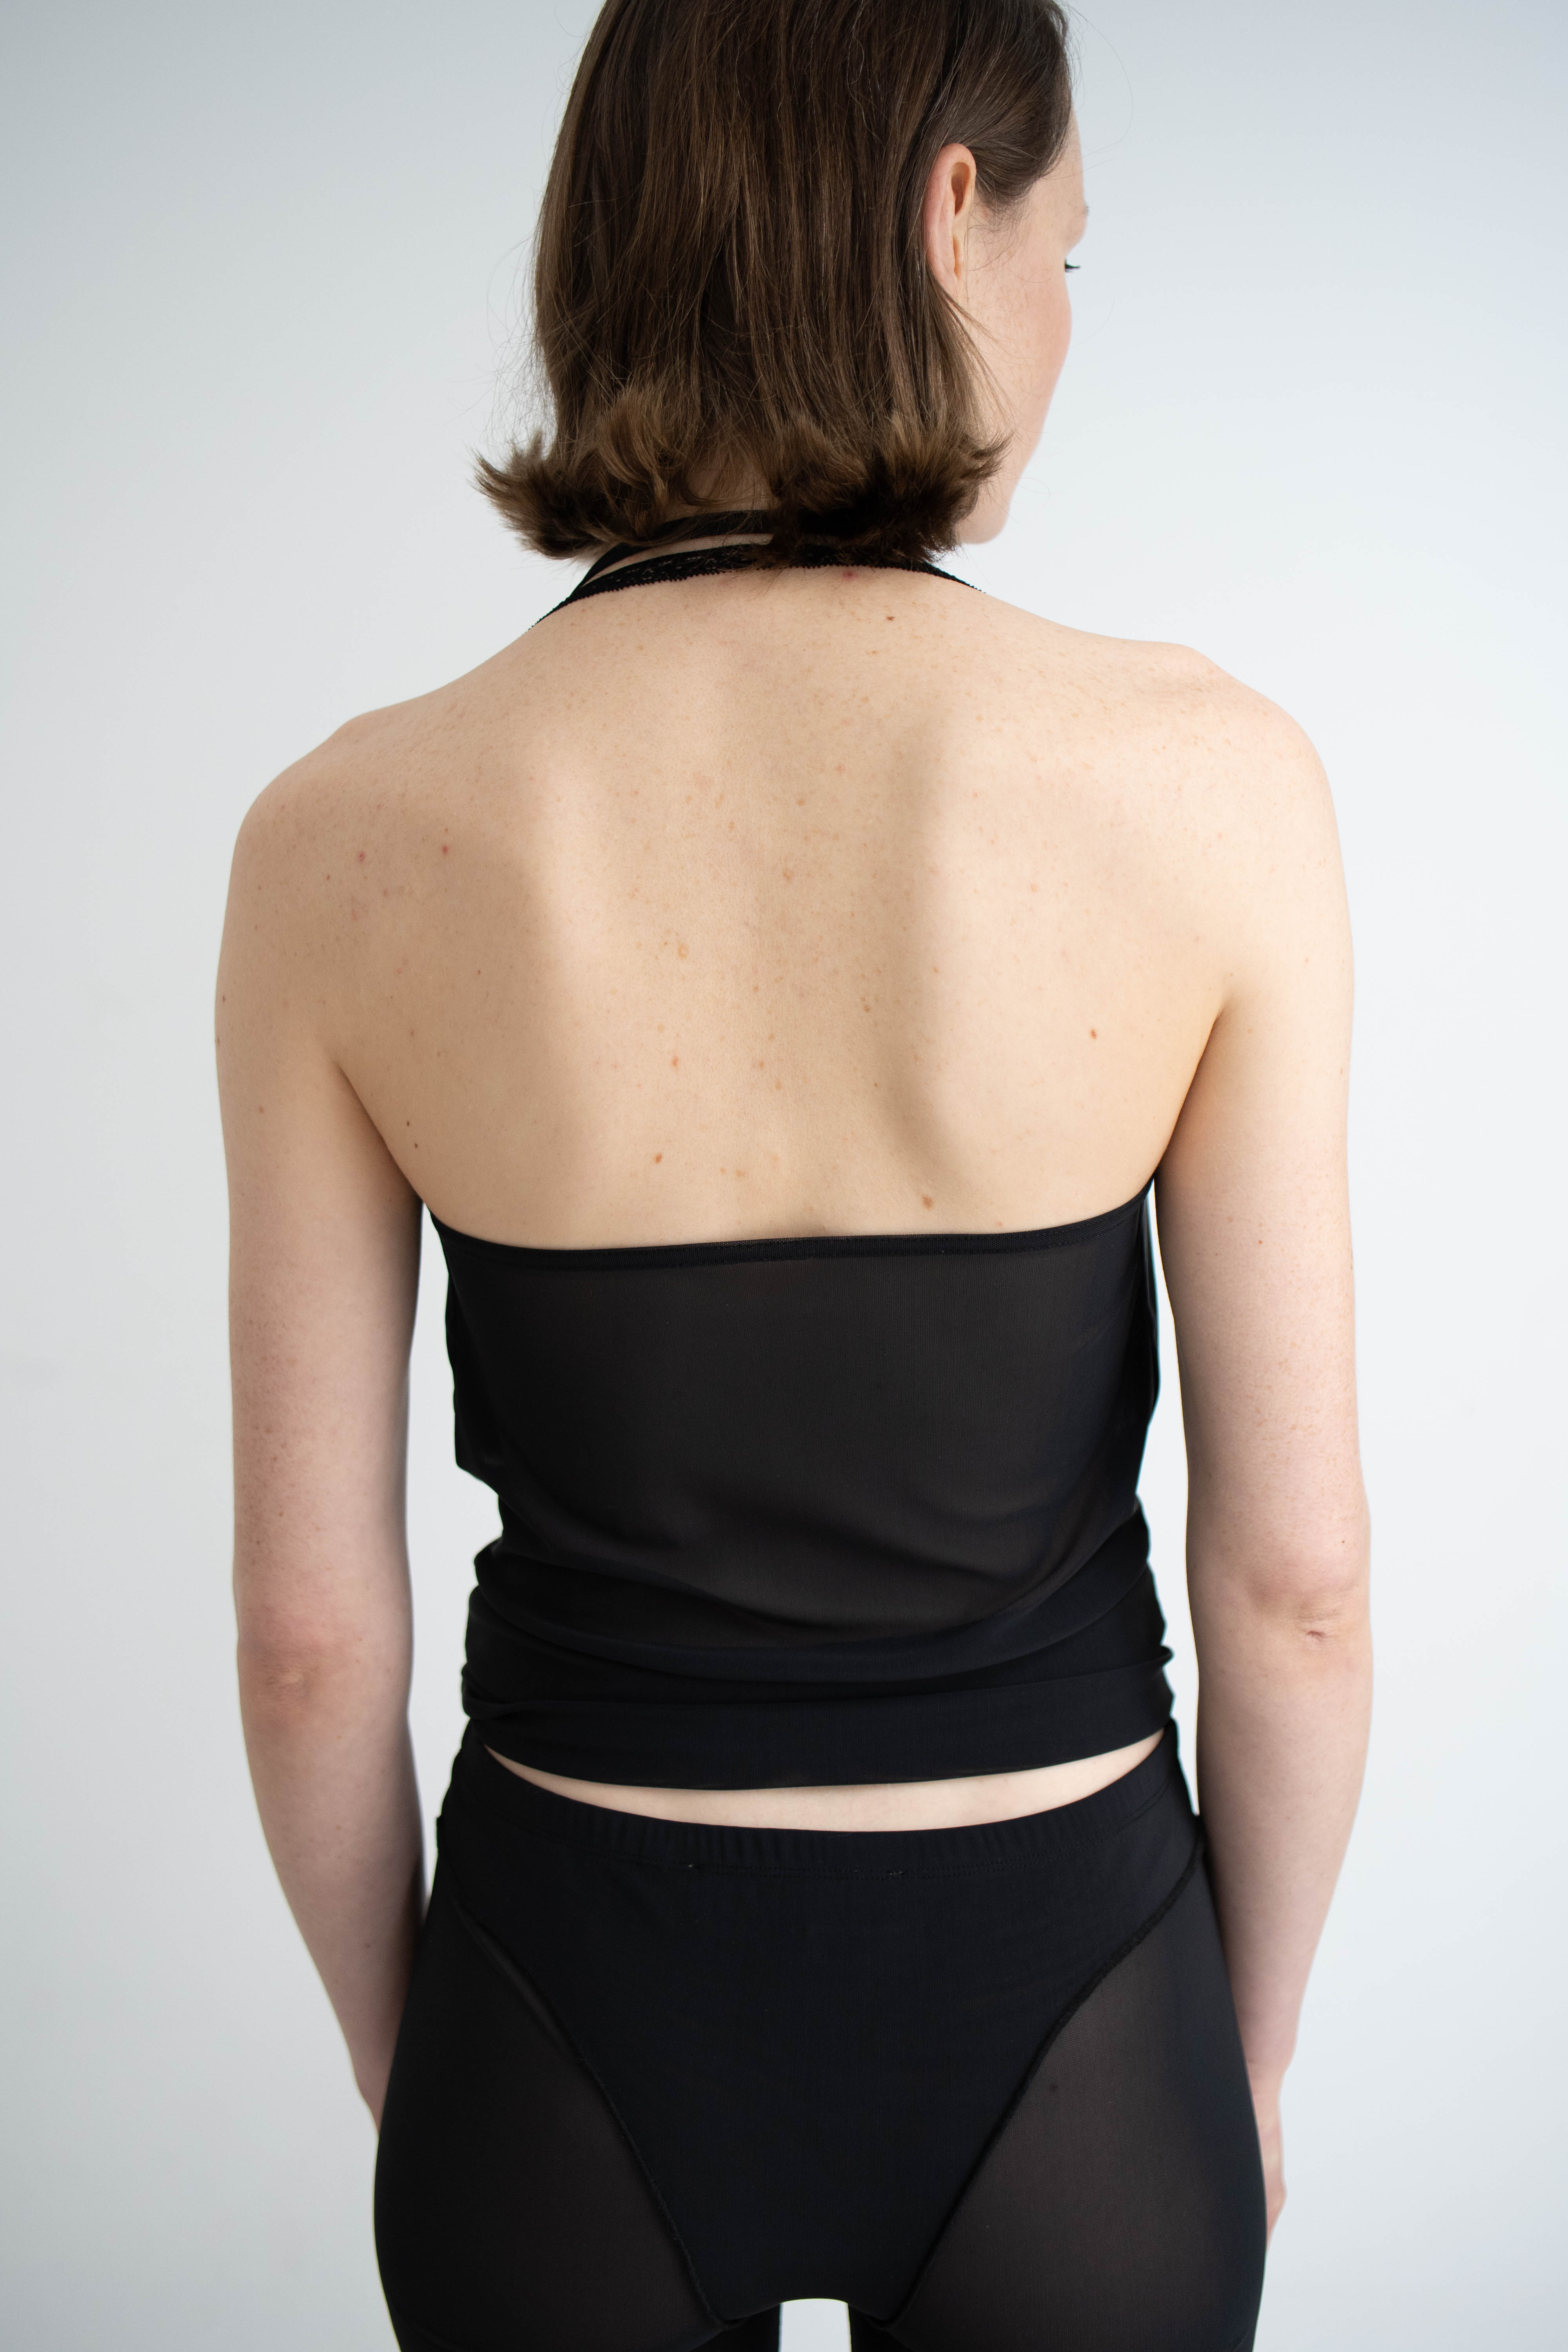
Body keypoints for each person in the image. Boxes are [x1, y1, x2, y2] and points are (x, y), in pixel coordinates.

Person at [217, 2, 1371, 2345]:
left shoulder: (342, 838)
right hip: (1072, 1982)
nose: (1066, 323)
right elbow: (1299, 1588)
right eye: (1068, 252)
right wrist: (1234, 2059)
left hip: (567, 1989)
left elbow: (310, 1640)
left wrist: (420, 2074)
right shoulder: (1209, 785)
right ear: (954, 217)